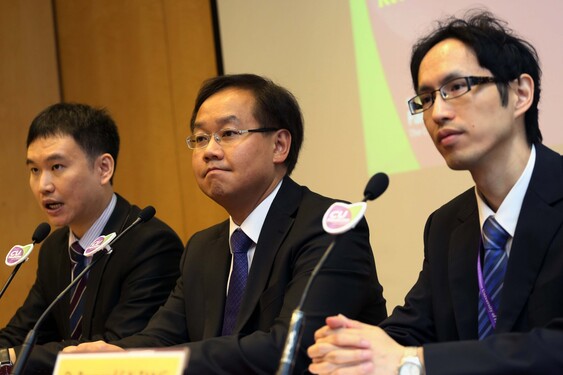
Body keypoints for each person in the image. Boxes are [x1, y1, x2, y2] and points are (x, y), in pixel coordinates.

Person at [65, 74, 388, 374]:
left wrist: (160, 362)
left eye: (228, 134)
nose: (209, 151)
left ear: (279, 146)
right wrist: (112, 356)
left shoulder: (328, 227)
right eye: (200, 138)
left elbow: (293, 346)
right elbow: (162, 336)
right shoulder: (203, 248)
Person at [307, 10, 563, 375]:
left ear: (521, 93)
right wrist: (355, 349)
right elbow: (417, 323)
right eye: (425, 98)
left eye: (457, 88)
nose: (438, 112)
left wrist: (413, 361)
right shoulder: (446, 225)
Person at [0, 103, 184, 374]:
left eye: (57, 166)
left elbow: (111, 348)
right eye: (34, 170)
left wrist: (7, 358)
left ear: (103, 168)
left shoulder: (151, 243)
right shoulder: (54, 248)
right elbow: (25, 332)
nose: (43, 186)